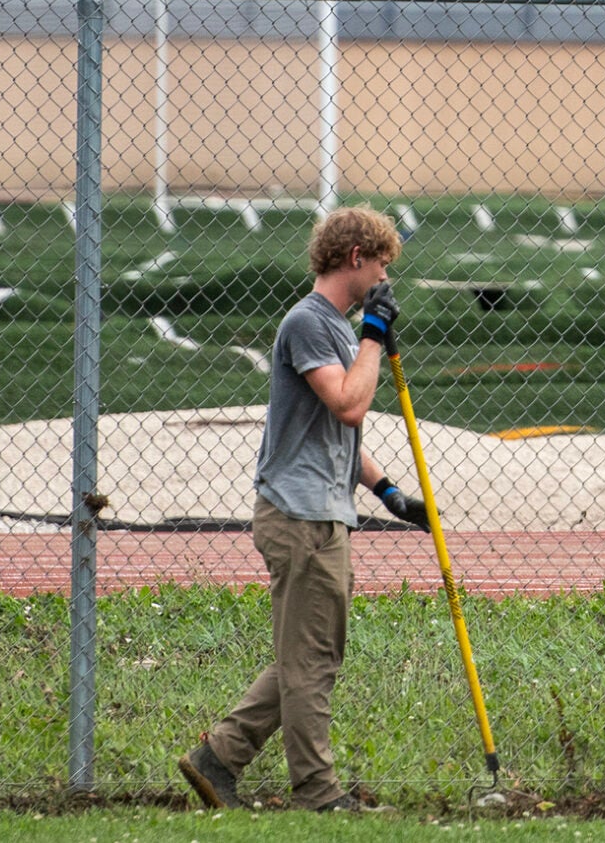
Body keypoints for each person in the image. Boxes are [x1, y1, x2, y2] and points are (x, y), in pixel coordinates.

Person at [178, 205, 429, 812]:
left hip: (323, 509)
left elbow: (338, 438)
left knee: (311, 655)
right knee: (311, 662)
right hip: (300, 516)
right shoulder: (309, 323)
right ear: (355, 259)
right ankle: (318, 795)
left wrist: (390, 493)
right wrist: (373, 335)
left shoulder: (336, 329)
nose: (386, 281)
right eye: (383, 268)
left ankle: (219, 757)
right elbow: (347, 404)